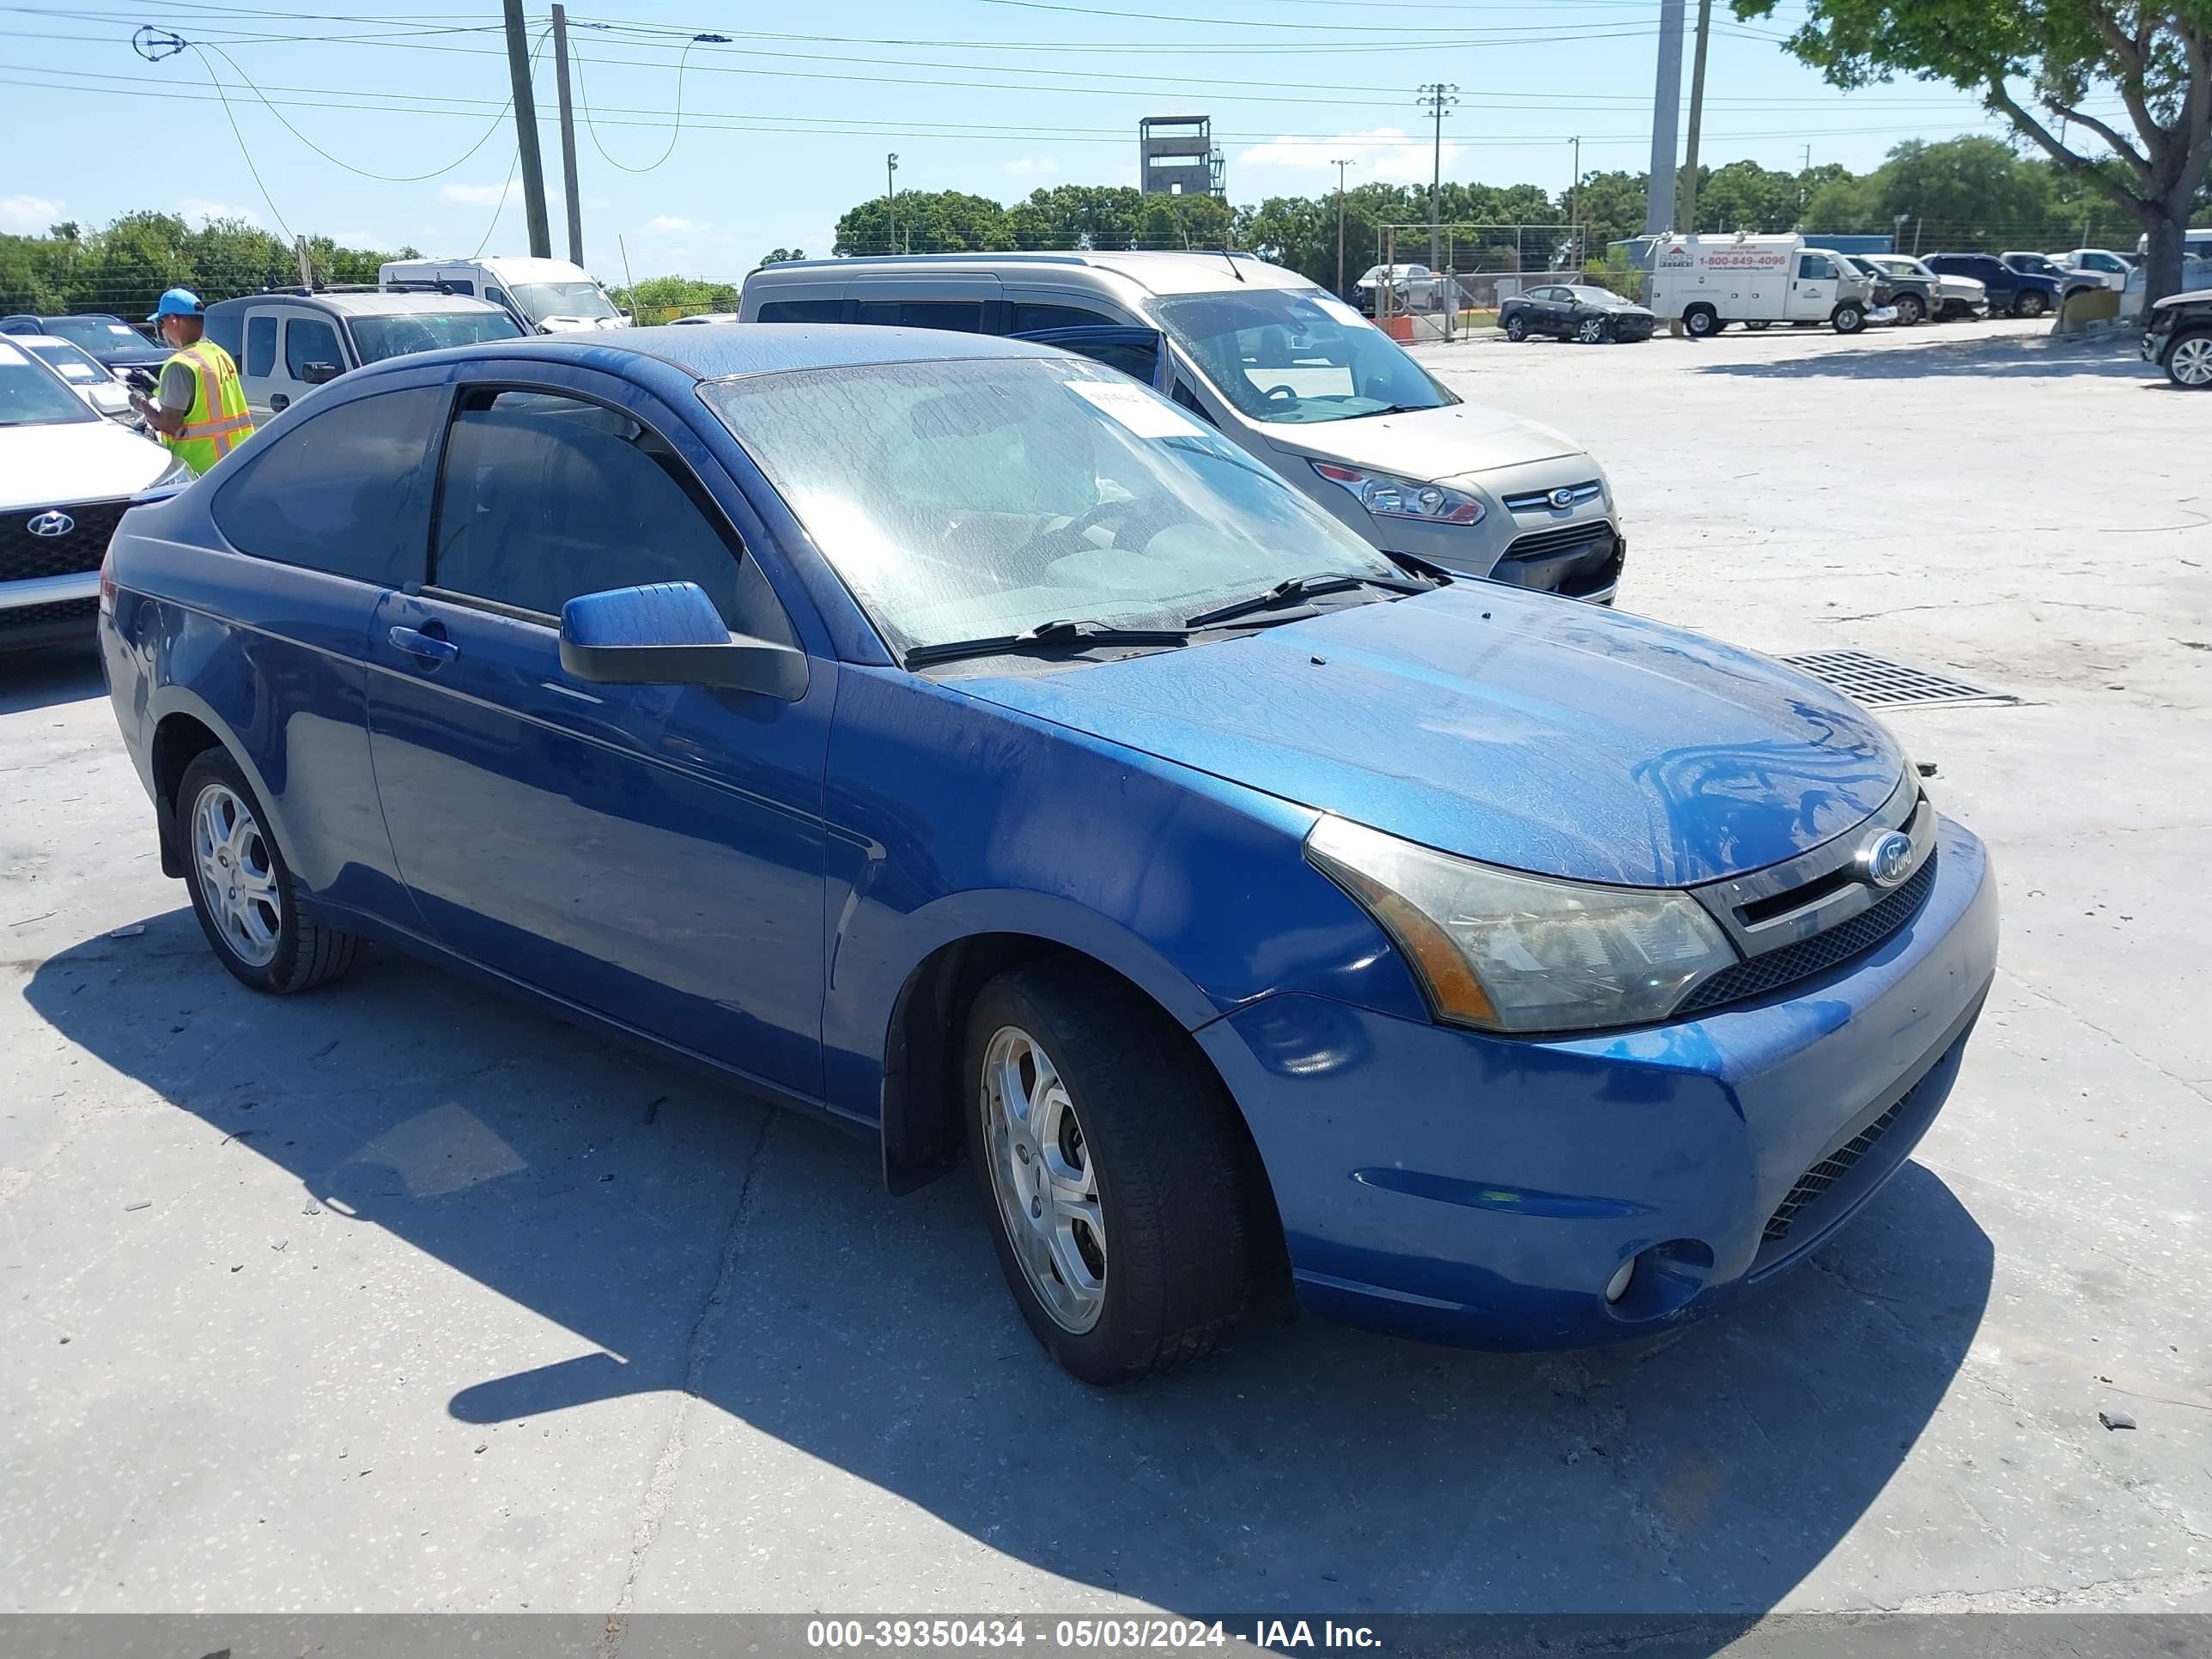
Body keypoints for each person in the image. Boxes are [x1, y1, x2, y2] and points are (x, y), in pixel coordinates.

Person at [130, 288, 253, 475]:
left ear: (173, 319)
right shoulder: (219, 354)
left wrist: (140, 402)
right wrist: (158, 389)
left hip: (200, 471)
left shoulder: (180, 364)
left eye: (161, 323)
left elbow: (168, 424)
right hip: (237, 464)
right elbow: (206, 399)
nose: (162, 330)